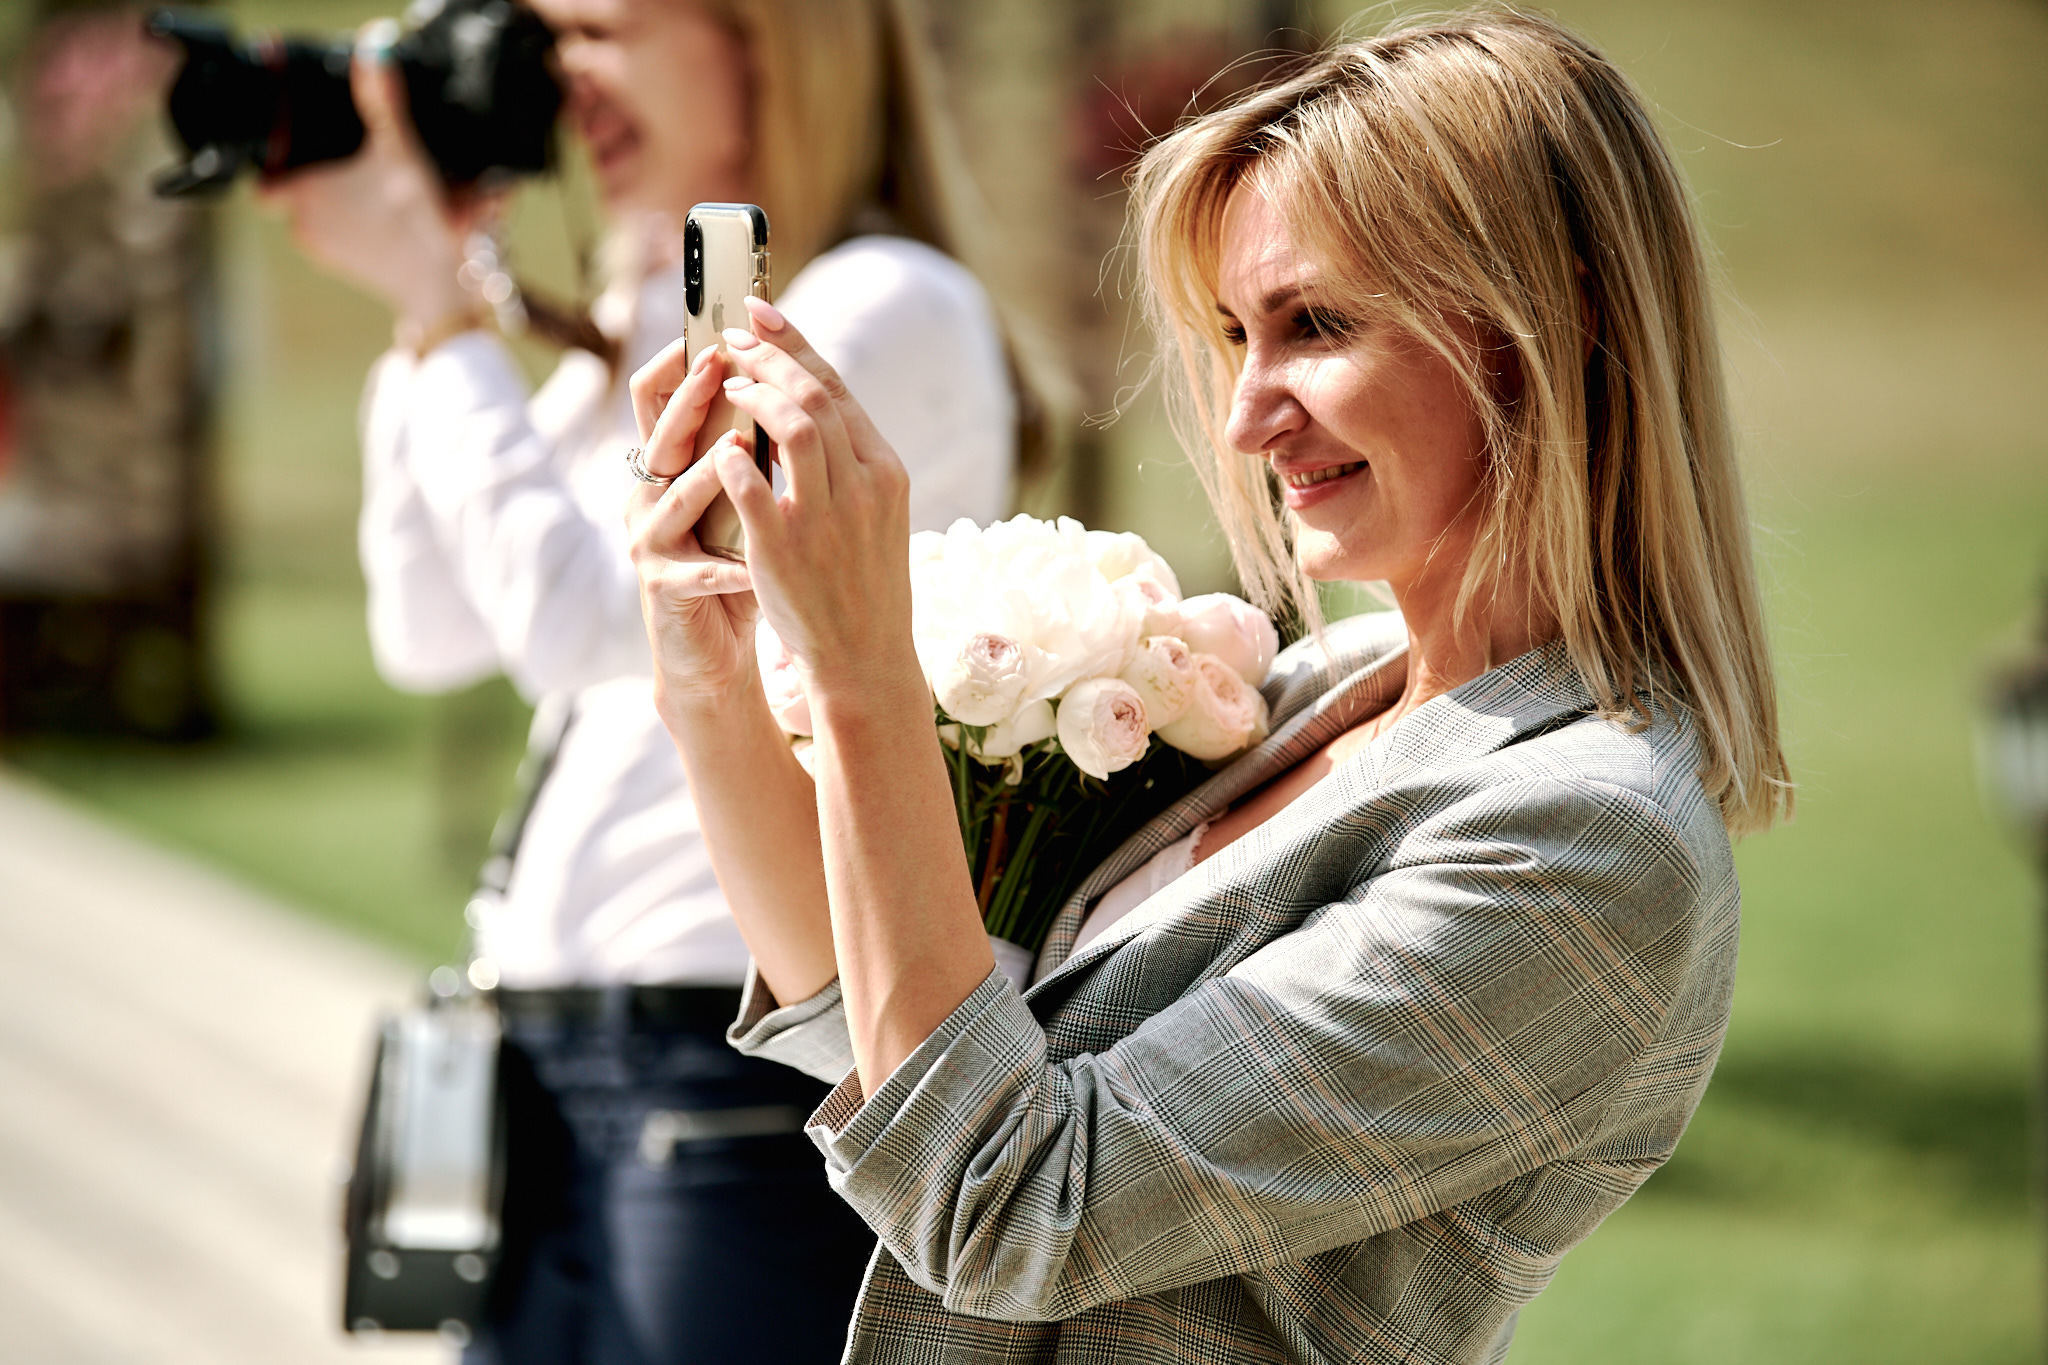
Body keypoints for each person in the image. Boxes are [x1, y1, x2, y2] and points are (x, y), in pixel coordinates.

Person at [623, 7, 1792, 1362]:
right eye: (1238, 335)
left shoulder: (1592, 842)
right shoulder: (1324, 690)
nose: (1246, 417)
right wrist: (708, 670)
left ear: (1555, 318)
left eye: (1318, 325)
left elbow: (1018, 1205)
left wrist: (864, 668)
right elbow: (883, 1035)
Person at [261, 1, 1030, 1360]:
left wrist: (443, 315)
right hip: (561, 1060)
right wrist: (424, 316)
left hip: (724, 1066)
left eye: (600, 28)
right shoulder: (661, 319)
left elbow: (583, 622)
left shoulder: (873, 305)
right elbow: (428, 624)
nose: (562, 78)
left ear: (768, 42)